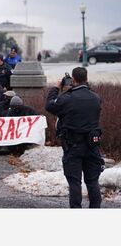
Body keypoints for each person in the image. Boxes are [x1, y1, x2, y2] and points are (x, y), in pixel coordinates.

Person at [45, 67, 104, 208]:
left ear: (73, 79)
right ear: (86, 78)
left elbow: (50, 106)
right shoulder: (96, 97)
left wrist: (56, 88)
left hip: (73, 145)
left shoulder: (67, 98)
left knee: (75, 182)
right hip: (92, 145)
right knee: (92, 181)